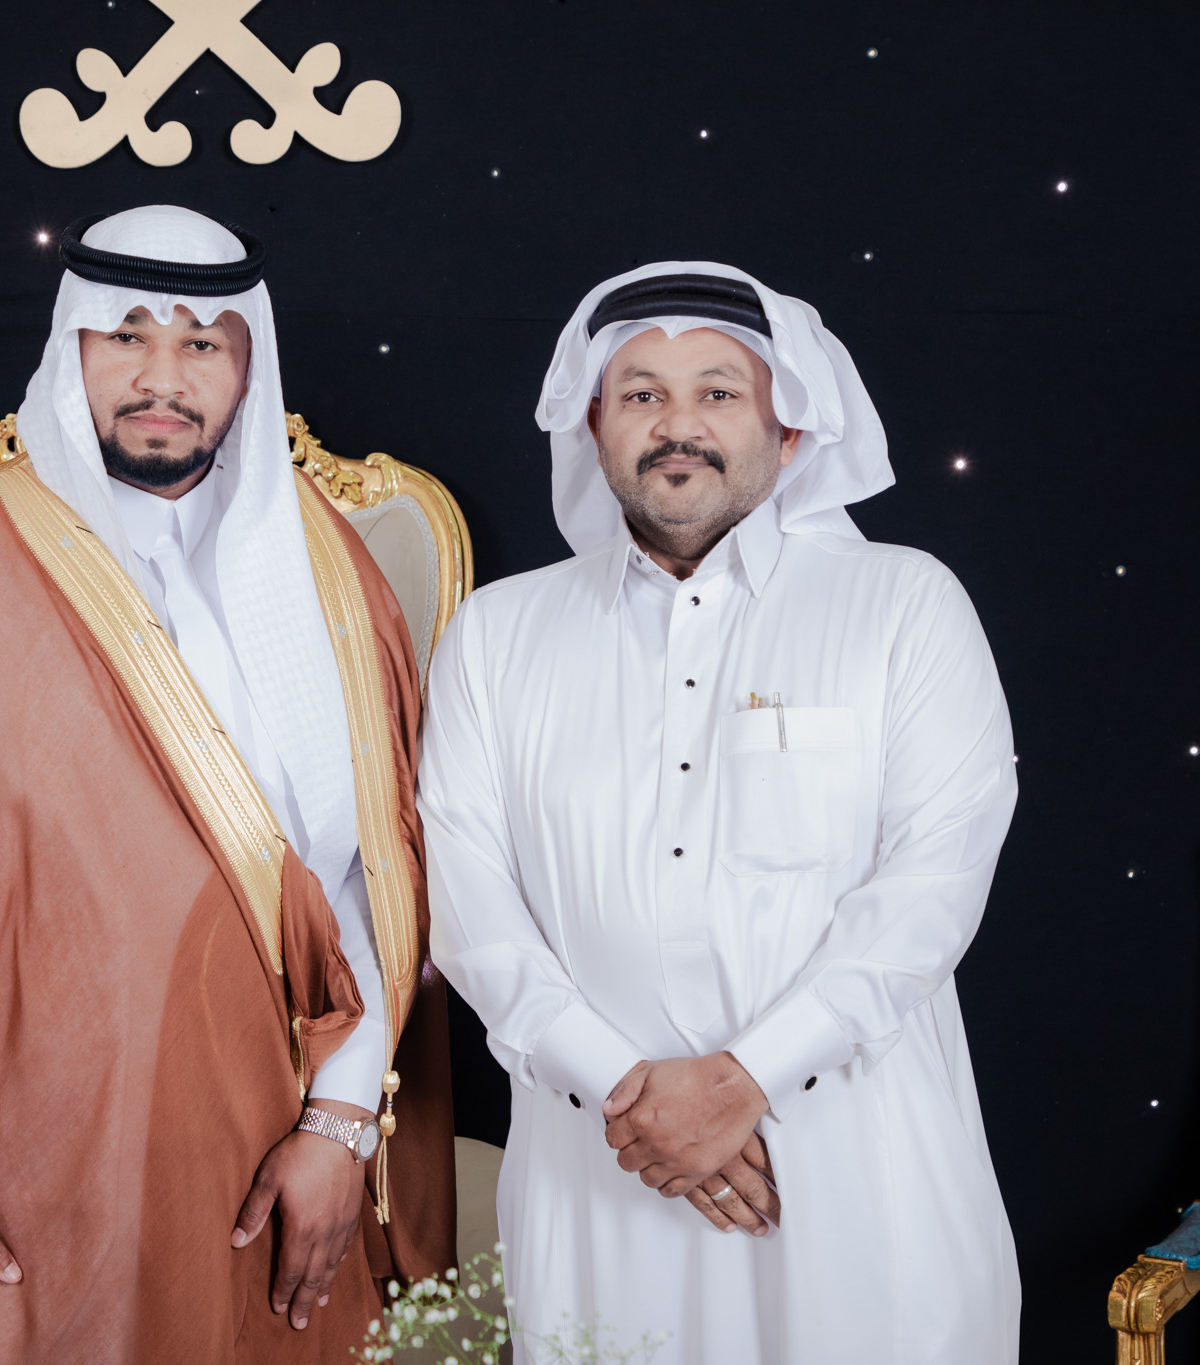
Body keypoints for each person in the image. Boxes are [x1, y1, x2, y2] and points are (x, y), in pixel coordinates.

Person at [0, 205, 453, 1365]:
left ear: (248, 363)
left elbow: (376, 878)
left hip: (290, 1151)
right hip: (25, 1163)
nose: (161, 378)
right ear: (70, 344)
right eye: (125, 337)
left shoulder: (330, 569)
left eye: (201, 343)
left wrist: (340, 1124)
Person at [419, 263, 1020, 1363]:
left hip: (852, 1160)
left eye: (717, 392)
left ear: (789, 431)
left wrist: (745, 1081)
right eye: (641, 394)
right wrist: (630, 1093)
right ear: (593, 428)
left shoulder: (903, 604)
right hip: (601, 1162)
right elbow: (470, 908)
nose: (676, 425)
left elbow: (932, 884)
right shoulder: (497, 636)